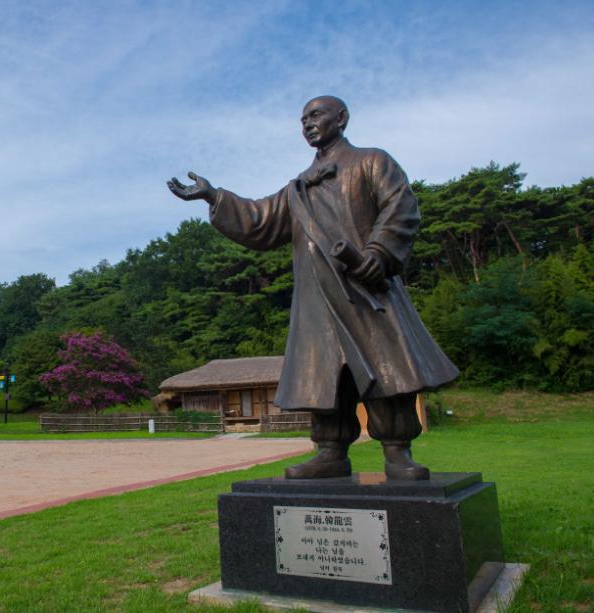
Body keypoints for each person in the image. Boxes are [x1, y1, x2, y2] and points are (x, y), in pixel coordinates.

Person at [167, 95, 458, 480]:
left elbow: (400, 208)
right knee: (325, 377)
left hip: (364, 290)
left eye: (316, 115)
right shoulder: (298, 188)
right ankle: (330, 452)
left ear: (342, 118)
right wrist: (213, 195)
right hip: (316, 300)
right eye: (302, 118)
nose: (307, 123)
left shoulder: (372, 161)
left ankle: (397, 452)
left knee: (384, 372)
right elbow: (260, 220)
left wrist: (378, 252)